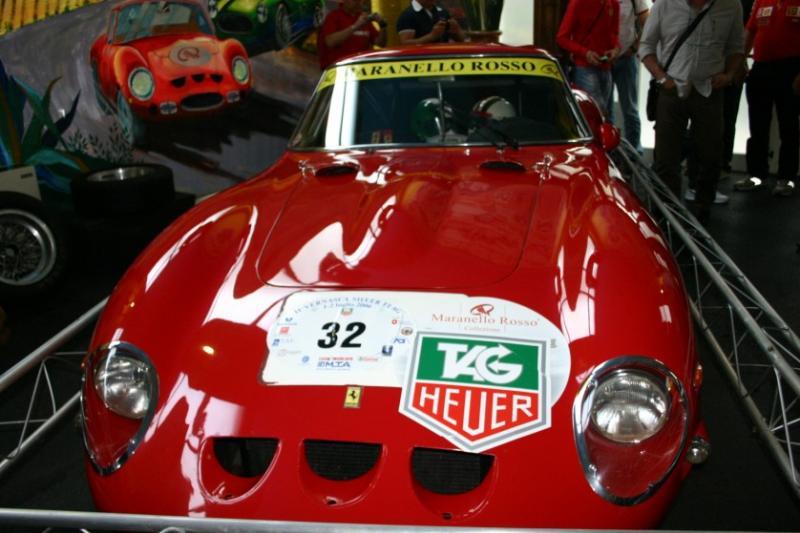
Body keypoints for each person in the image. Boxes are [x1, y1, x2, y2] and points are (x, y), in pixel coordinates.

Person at [639, 0, 744, 221]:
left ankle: (703, 205)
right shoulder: (665, 4)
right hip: (671, 88)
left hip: (709, 90)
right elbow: (646, 47)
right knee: (666, 157)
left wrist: (729, 75)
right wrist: (662, 78)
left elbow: (736, 48)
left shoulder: (731, 6)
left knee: (711, 154)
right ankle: (667, 211)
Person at [732, 0, 799, 196]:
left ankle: (786, 178)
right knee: (757, 125)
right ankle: (756, 175)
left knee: (789, 127)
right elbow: (750, 31)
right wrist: (740, 60)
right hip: (761, 68)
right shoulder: (761, 1)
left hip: (792, 68)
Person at [556, 0, 621, 115]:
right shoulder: (578, 3)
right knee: (595, 113)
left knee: (602, 114)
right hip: (584, 67)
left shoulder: (613, 4)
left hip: (606, 67)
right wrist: (585, 53)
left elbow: (614, 34)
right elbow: (562, 38)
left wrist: (615, 49)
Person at [610, 0, 649, 153]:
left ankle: (634, 152)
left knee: (630, 108)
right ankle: (610, 152)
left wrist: (635, 47)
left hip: (626, 58)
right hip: (603, 60)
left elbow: (648, 24)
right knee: (605, 110)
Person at [318, 0, 387, 70]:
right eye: (354, 0)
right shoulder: (334, 16)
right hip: (339, 68)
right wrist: (355, 26)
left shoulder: (363, 18)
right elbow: (330, 42)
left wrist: (382, 25)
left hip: (361, 68)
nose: (358, 2)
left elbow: (381, 43)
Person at [396, 0, 465, 44]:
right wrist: (431, 36)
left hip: (443, 57)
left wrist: (456, 30)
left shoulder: (442, 12)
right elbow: (405, 43)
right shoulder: (407, 15)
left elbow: (462, 39)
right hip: (421, 59)